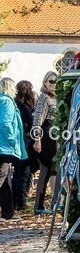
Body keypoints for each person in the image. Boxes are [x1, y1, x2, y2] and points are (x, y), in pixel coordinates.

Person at [0, 78, 28, 221]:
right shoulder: (7, 102)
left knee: (5, 181)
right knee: (1, 178)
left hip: (3, 146)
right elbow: (5, 122)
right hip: (4, 147)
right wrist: (12, 140)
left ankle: (8, 212)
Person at [32, 71, 58, 216]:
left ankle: (53, 202)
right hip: (46, 137)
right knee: (45, 172)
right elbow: (37, 120)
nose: (53, 84)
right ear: (45, 82)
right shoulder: (43, 97)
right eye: (51, 81)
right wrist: (37, 140)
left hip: (56, 137)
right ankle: (38, 206)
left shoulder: (56, 97)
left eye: (55, 81)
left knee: (54, 172)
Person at [11, 81, 38, 211]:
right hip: (26, 140)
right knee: (24, 172)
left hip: (18, 139)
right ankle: (20, 202)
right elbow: (31, 122)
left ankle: (15, 200)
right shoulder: (25, 106)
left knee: (17, 172)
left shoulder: (15, 104)